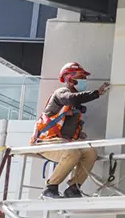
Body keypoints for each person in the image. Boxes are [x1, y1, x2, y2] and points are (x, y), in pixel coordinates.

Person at [32, 61, 110, 199]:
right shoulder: (61, 93)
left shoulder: (76, 104)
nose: (84, 81)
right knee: (72, 153)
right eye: (81, 77)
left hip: (64, 142)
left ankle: (74, 187)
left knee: (90, 152)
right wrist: (96, 93)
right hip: (47, 142)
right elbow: (71, 99)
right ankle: (50, 188)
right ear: (70, 78)